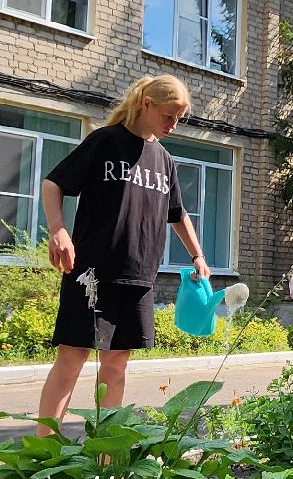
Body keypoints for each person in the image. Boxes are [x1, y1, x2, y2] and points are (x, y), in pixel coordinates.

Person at [34, 75, 211, 431]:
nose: (173, 126)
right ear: (146, 104)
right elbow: (54, 183)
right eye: (168, 116)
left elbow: (177, 214)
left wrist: (198, 256)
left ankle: (106, 462)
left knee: (116, 366)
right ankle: (44, 454)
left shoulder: (163, 158)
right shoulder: (105, 141)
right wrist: (58, 230)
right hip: (92, 275)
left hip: (138, 277)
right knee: (72, 359)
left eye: (179, 118)